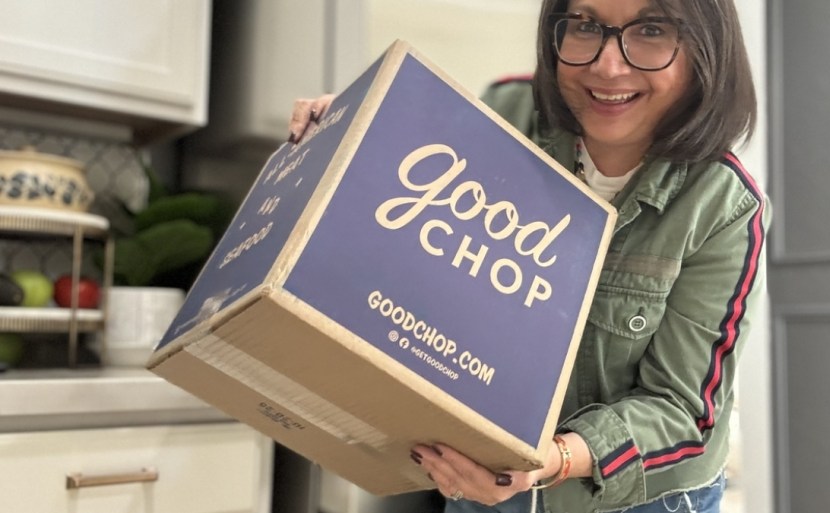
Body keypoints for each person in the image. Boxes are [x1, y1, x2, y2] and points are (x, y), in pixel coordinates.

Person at [288, 0, 768, 512]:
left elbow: (680, 410)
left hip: (638, 498)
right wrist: (355, 133)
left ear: (706, 49)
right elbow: (415, 218)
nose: (608, 65)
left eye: (652, 30)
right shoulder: (509, 111)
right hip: (479, 477)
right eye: (586, 25)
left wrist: (550, 460)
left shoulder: (724, 204)